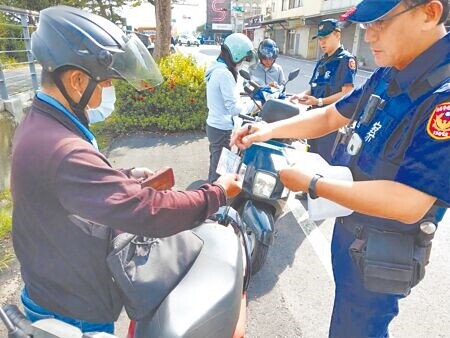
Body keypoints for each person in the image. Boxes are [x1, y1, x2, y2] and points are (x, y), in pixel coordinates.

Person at [10, 6, 241, 334]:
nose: (107, 90)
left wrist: (124, 176)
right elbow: (148, 210)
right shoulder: (59, 148)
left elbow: (74, 185)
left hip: (55, 284)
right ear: (77, 80)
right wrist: (217, 193)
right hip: (70, 307)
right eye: (103, 81)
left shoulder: (45, 123)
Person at [232, 0, 449, 336]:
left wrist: (313, 183)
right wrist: (269, 129)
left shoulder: (443, 97)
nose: (369, 36)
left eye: (381, 23)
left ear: (429, 13)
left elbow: (410, 204)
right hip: (354, 232)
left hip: (384, 250)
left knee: (358, 329)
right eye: (364, 26)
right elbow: (334, 115)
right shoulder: (389, 71)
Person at [290, 18, 357, 164]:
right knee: (311, 158)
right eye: (320, 39)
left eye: (325, 38)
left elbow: (347, 92)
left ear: (337, 35)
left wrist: (320, 101)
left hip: (332, 122)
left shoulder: (345, 60)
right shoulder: (322, 61)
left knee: (324, 162)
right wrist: (301, 95)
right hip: (315, 117)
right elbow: (314, 86)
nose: (322, 43)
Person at [205, 32, 257, 183]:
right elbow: (233, 109)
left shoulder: (217, 68)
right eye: (242, 59)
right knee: (221, 171)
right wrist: (253, 104)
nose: (242, 62)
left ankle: (209, 192)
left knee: (215, 164)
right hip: (221, 129)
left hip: (214, 125)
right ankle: (215, 203)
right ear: (235, 54)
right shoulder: (224, 74)